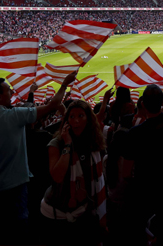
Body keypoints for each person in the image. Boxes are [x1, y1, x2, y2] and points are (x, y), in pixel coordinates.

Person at [0, 72, 71, 243]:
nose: (12, 93)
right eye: (8, 91)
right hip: (13, 191)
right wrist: (65, 83)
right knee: (17, 233)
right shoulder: (14, 116)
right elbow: (54, 105)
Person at [120, 74, 163, 243]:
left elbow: (126, 172)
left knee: (145, 233)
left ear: (142, 104)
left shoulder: (134, 133)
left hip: (144, 193)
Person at [41, 100, 107, 244]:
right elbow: (57, 177)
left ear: (88, 119)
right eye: (71, 116)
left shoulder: (94, 142)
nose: (76, 120)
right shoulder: (56, 144)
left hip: (85, 212)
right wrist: (68, 144)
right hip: (56, 213)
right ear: (66, 120)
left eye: (81, 116)